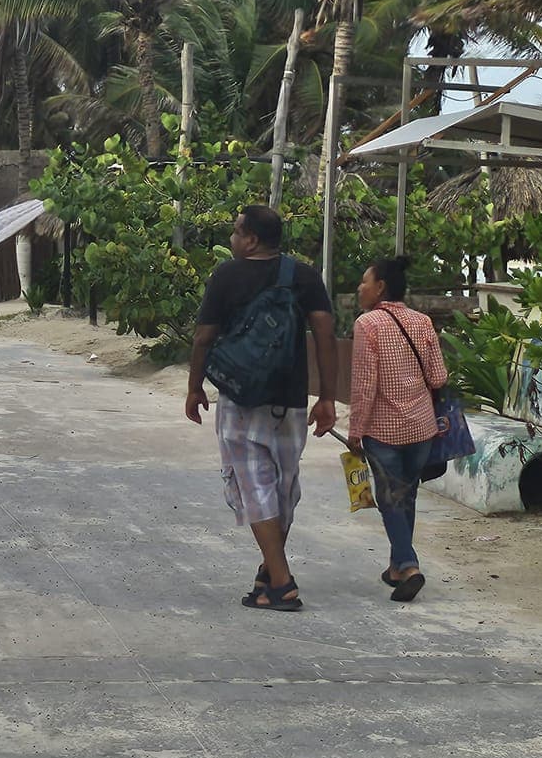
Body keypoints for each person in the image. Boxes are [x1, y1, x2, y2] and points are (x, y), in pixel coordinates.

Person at [186, 205, 337, 612]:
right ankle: (269, 574)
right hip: (290, 403)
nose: (233, 239)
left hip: (239, 399)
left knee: (254, 487)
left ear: (251, 239)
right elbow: (325, 333)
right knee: (282, 489)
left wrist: (194, 387)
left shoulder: (226, 275)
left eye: (236, 232)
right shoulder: (304, 276)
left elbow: (203, 337)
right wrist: (326, 396)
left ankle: (283, 583)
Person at [347, 255, 447, 602]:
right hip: (422, 428)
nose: (360, 287)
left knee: (390, 499)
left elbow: (364, 384)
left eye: (364, 281)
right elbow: (438, 377)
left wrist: (355, 430)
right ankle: (395, 569)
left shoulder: (367, 324)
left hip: (384, 430)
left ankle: (409, 564)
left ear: (380, 288)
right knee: (407, 496)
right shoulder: (422, 322)